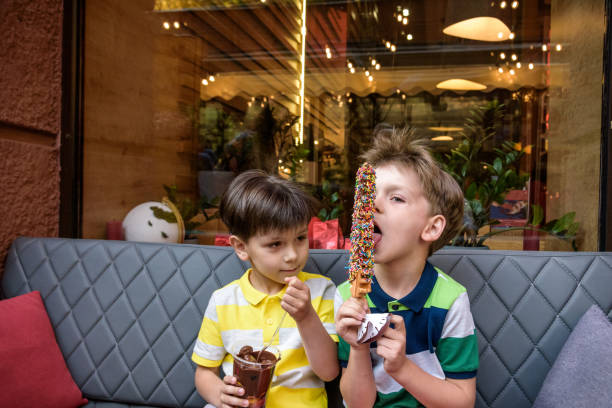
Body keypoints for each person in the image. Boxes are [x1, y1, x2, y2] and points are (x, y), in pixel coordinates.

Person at [335, 126, 478, 408]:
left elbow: (462, 402)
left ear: (431, 227)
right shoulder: (348, 297)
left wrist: (402, 368)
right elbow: (357, 404)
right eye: (369, 195)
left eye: (396, 197)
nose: (372, 206)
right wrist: (357, 346)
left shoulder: (449, 300)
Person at [192, 169, 339, 408]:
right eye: (275, 244)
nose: (292, 255)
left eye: (301, 238)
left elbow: (329, 372)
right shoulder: (223, 301)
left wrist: (305, 317)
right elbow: (204, 372)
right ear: (241, 247)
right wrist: (221, 394)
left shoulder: (321, 291)